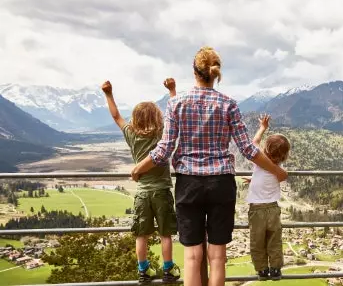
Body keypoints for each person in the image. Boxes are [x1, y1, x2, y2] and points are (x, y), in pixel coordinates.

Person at [131, 46, 288, 286]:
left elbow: (163, 151)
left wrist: (138, 168)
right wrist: (277, 170)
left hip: (188, 184)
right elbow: (248, 149)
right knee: (217, 257)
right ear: (215, 74)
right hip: (221, 184)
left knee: (193, 257)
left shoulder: (176, 104)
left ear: (194, 72)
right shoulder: (229, 104)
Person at [101, 80, 180, 284]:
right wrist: (172, 91)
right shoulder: (162, 134)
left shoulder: (131, 135)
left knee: (141, 235)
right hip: (162, 191)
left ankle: (143, 270)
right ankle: (168, 269)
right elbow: (174, 115)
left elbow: (116, 116)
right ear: (157, 117)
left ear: (135, 118)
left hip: (143, 193)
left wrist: (108, 94)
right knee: (165, 234)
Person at [243, 114, 290, 280]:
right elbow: (275, 177)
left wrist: (262, 127)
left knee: (257, 241)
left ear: (266, 149)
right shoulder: (279, 168)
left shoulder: (259, 160)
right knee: (274, 240)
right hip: (273, 208)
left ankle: (262, 270)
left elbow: (253, 143)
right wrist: (254, 179)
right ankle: (276, 269)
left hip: (257, 210)